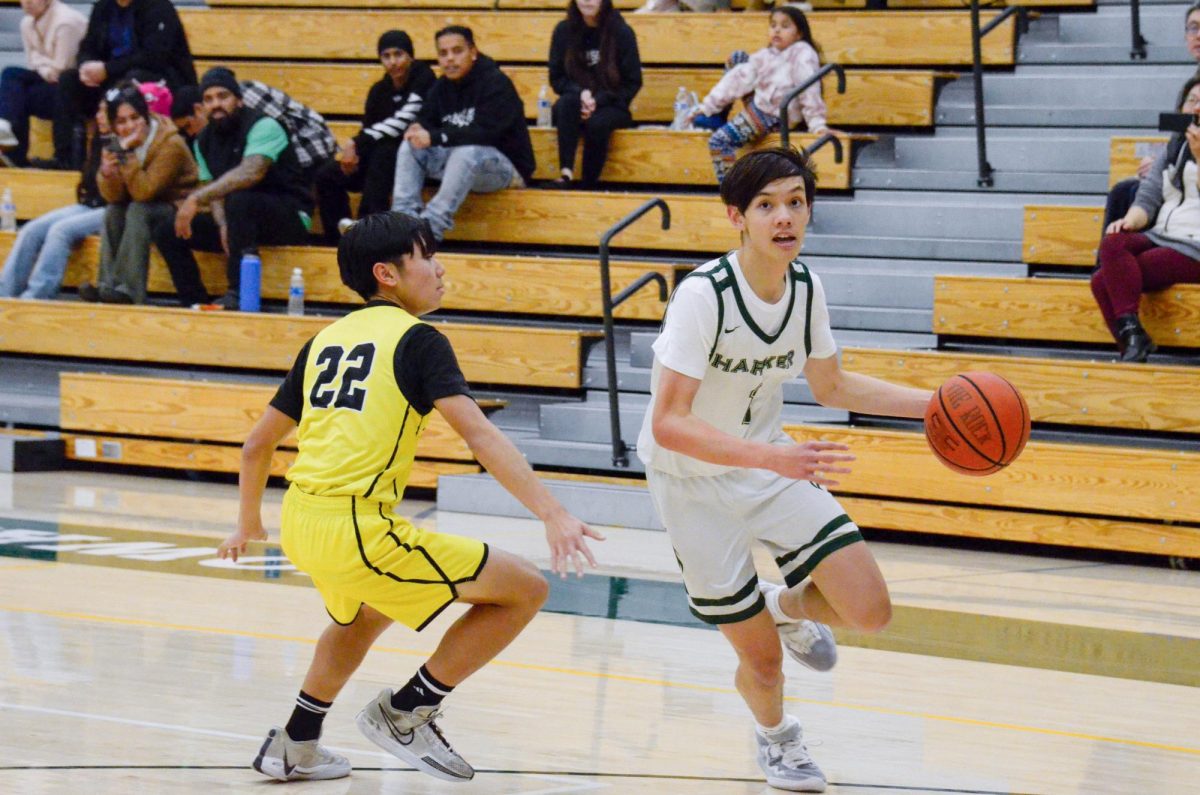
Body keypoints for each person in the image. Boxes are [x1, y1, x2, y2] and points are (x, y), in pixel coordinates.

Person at [216, 211, 603, 783]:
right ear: (387, 274)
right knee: (525, 590)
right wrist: (552, 512)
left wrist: (247, 523)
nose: (439, 268)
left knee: (361, 619)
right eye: (426, 256)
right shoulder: (418, 340)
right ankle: (409, 710)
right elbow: (481, 434)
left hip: (302, 521)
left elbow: (257, 445)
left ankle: (296, 742)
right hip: (358, 525)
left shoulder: (324, 339)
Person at [636, 147, 932, 792]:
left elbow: (830, 385)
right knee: (763, 663)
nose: (785, 216)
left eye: (796, 201)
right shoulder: (702, 296)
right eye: (766, 204)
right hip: (692, 481)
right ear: (735, 217)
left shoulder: (805, 288)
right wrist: (773, 456)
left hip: (769, 459)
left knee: (870, 611)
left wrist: (932, 406)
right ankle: (778, 741)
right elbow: (668, 422)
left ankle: (787, 604)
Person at [152, 68, 314, 310]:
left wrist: (196, 198)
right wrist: (222, 224)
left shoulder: (265, 125)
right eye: (208, 99)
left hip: (289, 216)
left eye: (223, 96)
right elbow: (212, 187)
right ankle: (194, 301)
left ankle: (237, 293)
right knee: (168, 230)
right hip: (240, 223)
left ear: (238, 99)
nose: (216, 104)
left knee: (240, 200)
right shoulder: (203, 140)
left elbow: (251, 172)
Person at [391, 26, 534, 242]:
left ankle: (428, 231)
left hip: (505, 170)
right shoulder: (442, 87)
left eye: (457, 51)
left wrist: (437, 137)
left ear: (473, 52)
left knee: (468, 151)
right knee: (411, 144)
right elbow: (426, 118)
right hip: (461, 165)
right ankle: (402, 222)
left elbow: (486, 133)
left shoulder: (496, 82)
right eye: (443, 53)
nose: (449, 59)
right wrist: (417, 127)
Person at [1093, 77, 1200, 364]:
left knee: (1104, 280)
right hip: (1164, 234)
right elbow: (1148, 197)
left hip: (1195, 244)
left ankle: (1131, 348)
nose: (1197, 107)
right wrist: (1128, 221)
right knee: (1113, 243)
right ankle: (1134, 338)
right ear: (1181, 109)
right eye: (1192, 100)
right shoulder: (1174, 146)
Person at [44, 0, 196, 171]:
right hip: (113, 77)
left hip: (159, 80)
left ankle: (105, 166)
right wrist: (86, 67)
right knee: (68, 81)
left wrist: (107, 69)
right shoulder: (103, 7)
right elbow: (87, 47)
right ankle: (64, 159)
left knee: (123, 87)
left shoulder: (159, 7)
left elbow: (153, 58)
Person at [314, 30, 436, 241]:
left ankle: (368, 232)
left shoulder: (424, 77)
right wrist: (354, 154)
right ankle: (339, 240)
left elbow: (404, 121)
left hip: (417, 158)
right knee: (328, 174)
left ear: (410, 56)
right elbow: (370, 129)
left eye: (398, 54)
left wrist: (354, 143)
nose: (393, 62)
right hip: (381, 162)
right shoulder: (379, 90)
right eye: (386, 56)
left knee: (385, 152)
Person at [81, 83, 197, 304]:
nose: (130, 126)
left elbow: (145, 192)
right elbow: (113, 198)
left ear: (146, 115)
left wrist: (127, 156)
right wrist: (107, 174)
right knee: (114, 211)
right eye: (121, 121)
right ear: (114, 125)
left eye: (135, 117)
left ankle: (130, 291)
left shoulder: (170, 143)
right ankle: (107, 286)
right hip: (148, 203)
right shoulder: (118, 142)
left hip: (180, 206)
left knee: (138, 210)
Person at [688, 7, 828, 184]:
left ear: (799, 34)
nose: (777, 30)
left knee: (719, 141)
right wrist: (707, 107)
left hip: (774, 115)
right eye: (773, 25)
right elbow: (736, 80)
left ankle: (735, 191)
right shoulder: (767, 55)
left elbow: (809, 89)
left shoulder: (802, 53)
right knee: (737, 59)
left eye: (785, 26)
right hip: (762, 106)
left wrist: (817, 124)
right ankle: (716, 116)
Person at [0, 100, 108, 300]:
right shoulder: (99, 139)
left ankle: (36, 297)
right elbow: (90, 180)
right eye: (99, 110)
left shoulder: (128, 143)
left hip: (116, 209)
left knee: (60, 231)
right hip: (91, 204)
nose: (99, 116)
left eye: (105, 112)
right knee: (31, 230)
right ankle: (4, 295)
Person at [545, 0, 642, 189]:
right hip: (575, 101)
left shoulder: (622, 32)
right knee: (565, 104)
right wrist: (580, 94)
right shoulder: (563, 31)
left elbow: (633, 82)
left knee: (597, 123)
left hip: (612, 104)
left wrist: (598, 101)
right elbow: (556, 78)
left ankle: (588, 184)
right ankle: (566, 173)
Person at [0, 0, 86, 166]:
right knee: (11, 78)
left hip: (74, 89)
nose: (28, 3)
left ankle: (13, 146)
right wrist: (44, 66)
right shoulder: (26, 23)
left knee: (17, 91)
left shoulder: (66, 22)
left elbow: (62, 70)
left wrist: (42, 64)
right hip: (48, 79)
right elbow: (32, 62)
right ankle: (10, 143)